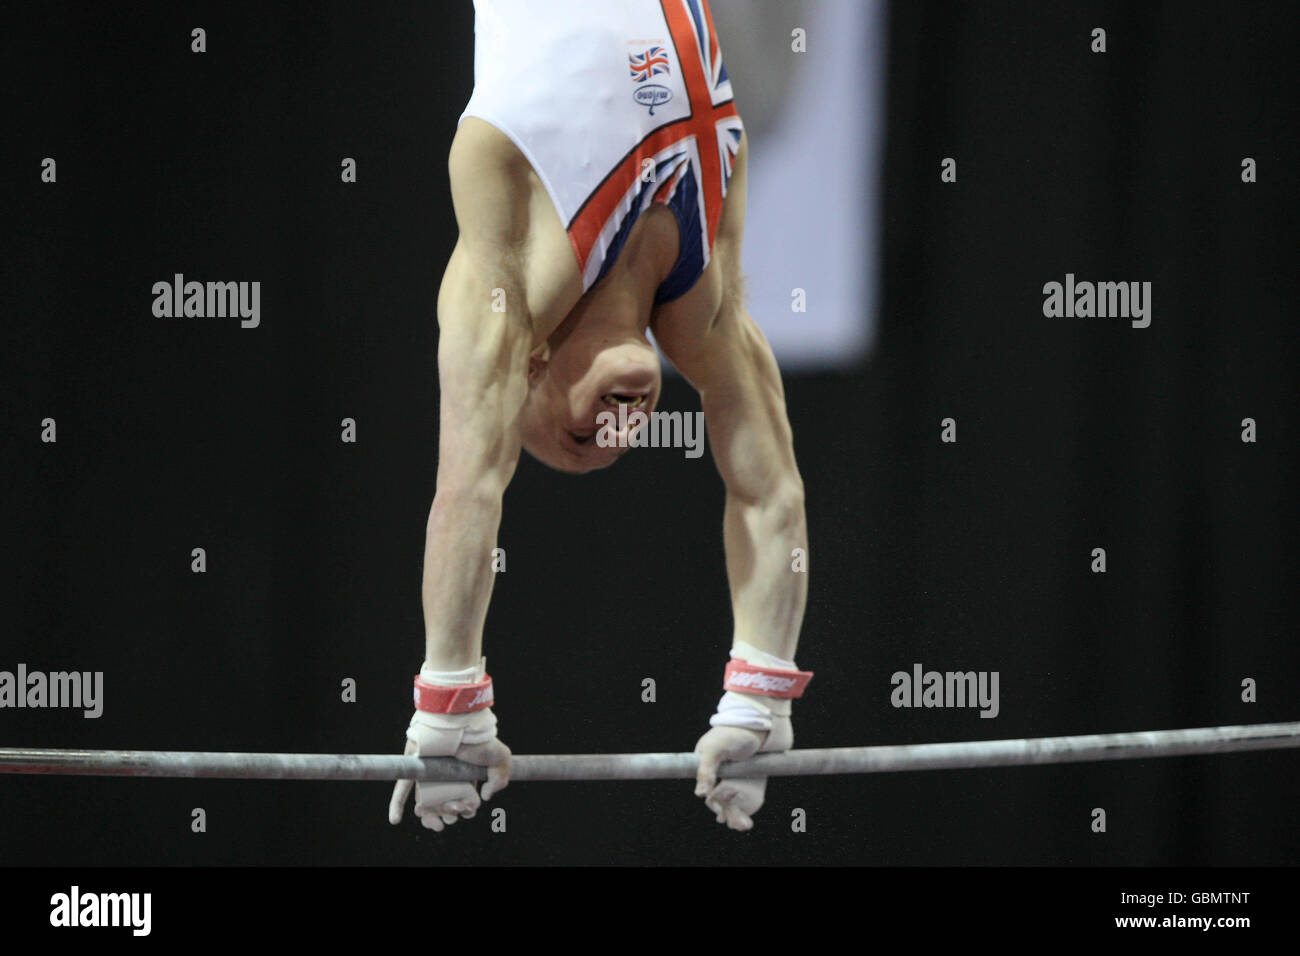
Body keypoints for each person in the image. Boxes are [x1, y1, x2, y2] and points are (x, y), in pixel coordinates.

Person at [388, 0, 810, 833]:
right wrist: (759, 697)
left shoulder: (506, 294)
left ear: (530, 371)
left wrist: (449, 701)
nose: (621, 432)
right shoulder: (703, 306)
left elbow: (469, 486)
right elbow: (770, 496)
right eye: (619, 447)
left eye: (582, 438)